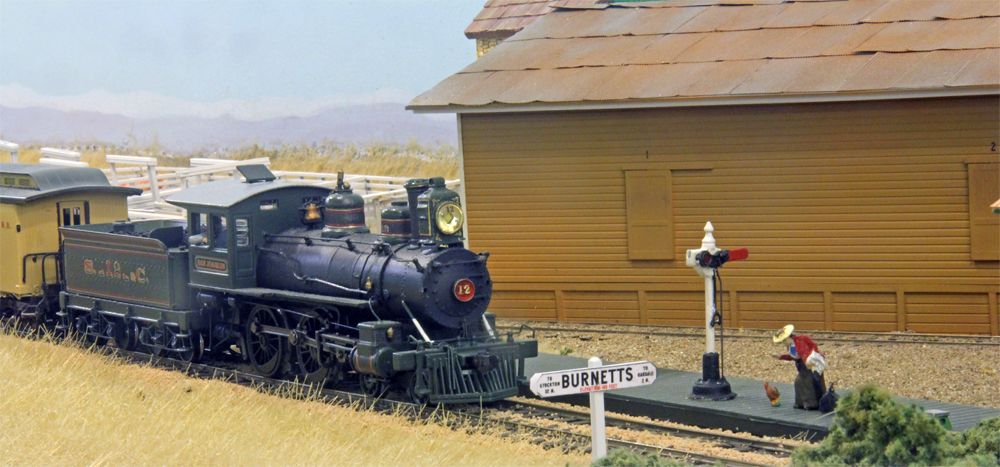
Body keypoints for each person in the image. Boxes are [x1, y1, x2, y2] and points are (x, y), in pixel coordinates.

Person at [772, 324, 826, 410]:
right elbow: (795, 357)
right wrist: (781, 357)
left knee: (807, 382)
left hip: (810, 366)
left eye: (783, 341)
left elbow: (804, 353)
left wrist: (806, 362)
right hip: (803, 366)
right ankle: (801, 402)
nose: (783, 344)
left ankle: (812, 403)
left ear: (788, 338)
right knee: (799, 383)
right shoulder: (791, 345)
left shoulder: (799, 342)